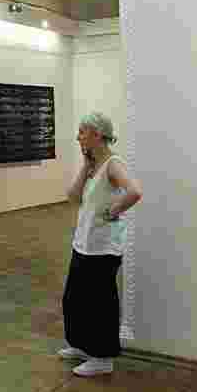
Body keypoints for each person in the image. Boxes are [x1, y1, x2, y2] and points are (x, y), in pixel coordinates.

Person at [58, 112, 143, 376]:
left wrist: (114, 210)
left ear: (97, 134)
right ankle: (81, 345)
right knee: (74, 299)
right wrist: (85, 167)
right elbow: (73, 197)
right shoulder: (93, 166)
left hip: (103, 248)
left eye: (82, 132)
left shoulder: (113, 165)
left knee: (99, 304)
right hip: (83, 244)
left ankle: (102, 358)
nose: (78, 137)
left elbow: (135, 191)